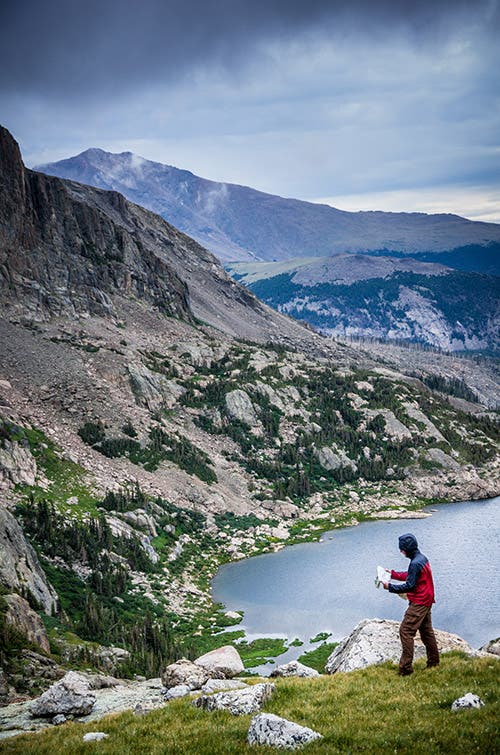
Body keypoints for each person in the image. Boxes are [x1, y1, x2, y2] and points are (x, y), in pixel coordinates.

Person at [382, 533, 440, 676]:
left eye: (401, 549)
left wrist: (389, 586)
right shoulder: (421, 558)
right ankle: (434, 663)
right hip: (427, 599)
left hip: (419, 602)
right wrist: (393, 574)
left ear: (405, 550)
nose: (401, 552)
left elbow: (410, 585)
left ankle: (405, 669)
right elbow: (412, 575)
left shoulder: (415, 563)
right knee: (426, 632)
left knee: (406, 631)